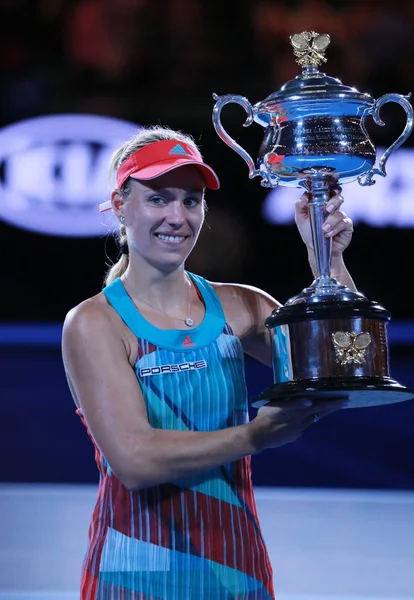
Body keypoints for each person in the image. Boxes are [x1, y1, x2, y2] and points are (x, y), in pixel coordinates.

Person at [61, 125, 355, 600]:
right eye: (158, 198)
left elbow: (341, 367)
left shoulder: (243, 307)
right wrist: (255, 436)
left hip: (238, 572)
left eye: (191, 200)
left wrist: (327, 261)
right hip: (132, 578)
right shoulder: (94, 323)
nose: (178, 216)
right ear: (120, 206)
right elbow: (133, 460)